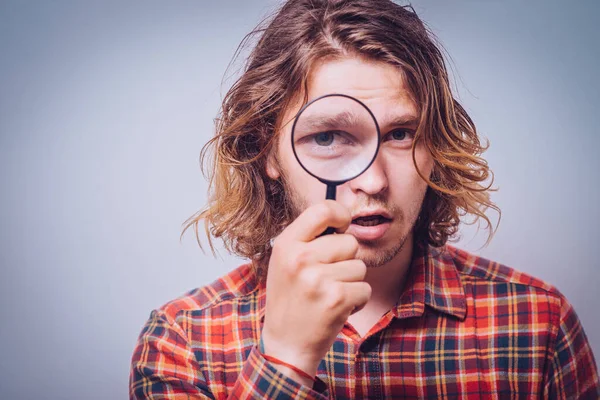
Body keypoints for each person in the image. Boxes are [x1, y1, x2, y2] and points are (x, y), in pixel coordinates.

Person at [129, 0, 599, 398]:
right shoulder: (182, 341)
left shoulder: (537, 325)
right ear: (267, 151)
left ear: (435, 146)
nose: (372, 181)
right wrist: (286, 357)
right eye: (328, 137)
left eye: (399, 134)